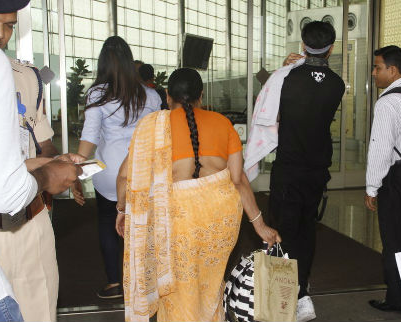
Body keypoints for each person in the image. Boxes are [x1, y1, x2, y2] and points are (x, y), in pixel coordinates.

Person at [115, 68, 281, 322]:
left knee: (177, 290)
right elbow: (238, 179)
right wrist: (260, 225)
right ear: (201, 95)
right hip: (219, 221)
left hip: (176, 222)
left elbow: (126, 176)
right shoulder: (223, 123)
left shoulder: (152, 126)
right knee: (210, 286)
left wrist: (122, 210)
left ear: (167, 96)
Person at [0, 0, 84, 320]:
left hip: (28, 218)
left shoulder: (27, 77)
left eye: (8, 25)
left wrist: (54, 163)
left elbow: (39, 138)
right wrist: (48, 174)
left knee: (39, 307)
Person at [71, 36, 161, 299]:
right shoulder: (151, 95)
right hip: (142, 171)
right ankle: (144, 282)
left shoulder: (97, 93)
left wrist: (76, 169)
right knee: (143, 224)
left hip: (109, 172)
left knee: (108, 221)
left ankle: (114, 283)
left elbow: (90, 137)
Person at [267, 21, 344, 322]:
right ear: (332, 48)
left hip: (288, 167)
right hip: (316, 169)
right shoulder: (337, 84)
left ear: (302, 45)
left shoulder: (286, 77)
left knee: (280, 231)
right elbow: (317, 83)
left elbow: (270, 110)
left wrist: (287, 66)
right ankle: (301, 293)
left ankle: (280, 299)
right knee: (306, 230)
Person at [364, 45, 401, 314]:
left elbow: (380, 148)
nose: (374, 73)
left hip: (395, 181)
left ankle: (397, 300)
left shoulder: (387, 102)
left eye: (378, 67)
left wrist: (372, 187)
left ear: (392, 70)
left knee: (393, 241)